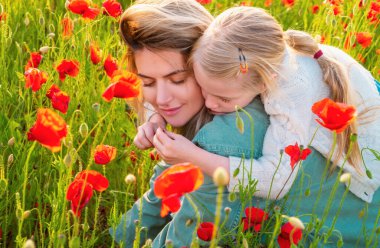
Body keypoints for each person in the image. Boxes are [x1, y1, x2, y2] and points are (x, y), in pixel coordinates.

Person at [151, 6, 380, 247]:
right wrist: (158, 117)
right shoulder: (265, 57)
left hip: (368, 190)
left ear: (264, 81)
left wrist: (194, 156)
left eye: (224, 99)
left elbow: (276, 181)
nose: (208, 103)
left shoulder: (290, 96)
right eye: (203, 90)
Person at [110, 1, 272, 247]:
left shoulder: (222, 142)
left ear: (208, 65)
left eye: (177, 80)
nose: (162, 99)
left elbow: (186, 239)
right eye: (149, 83)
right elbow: (158, 200)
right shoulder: (207, 114)